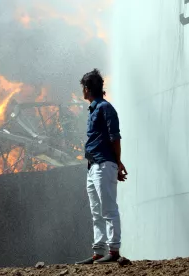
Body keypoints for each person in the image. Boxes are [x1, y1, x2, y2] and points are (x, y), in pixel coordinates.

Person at [76, 69, 128, 265]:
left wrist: (117, 162)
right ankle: (99, 251)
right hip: (93, 166)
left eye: (83, 88)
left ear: (87, 89)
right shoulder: (94, 109)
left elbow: (115, 138)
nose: (83, 91)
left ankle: (114, 251)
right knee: (96, 210)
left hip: (104, 164)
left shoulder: (105, 108)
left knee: (108, 209)